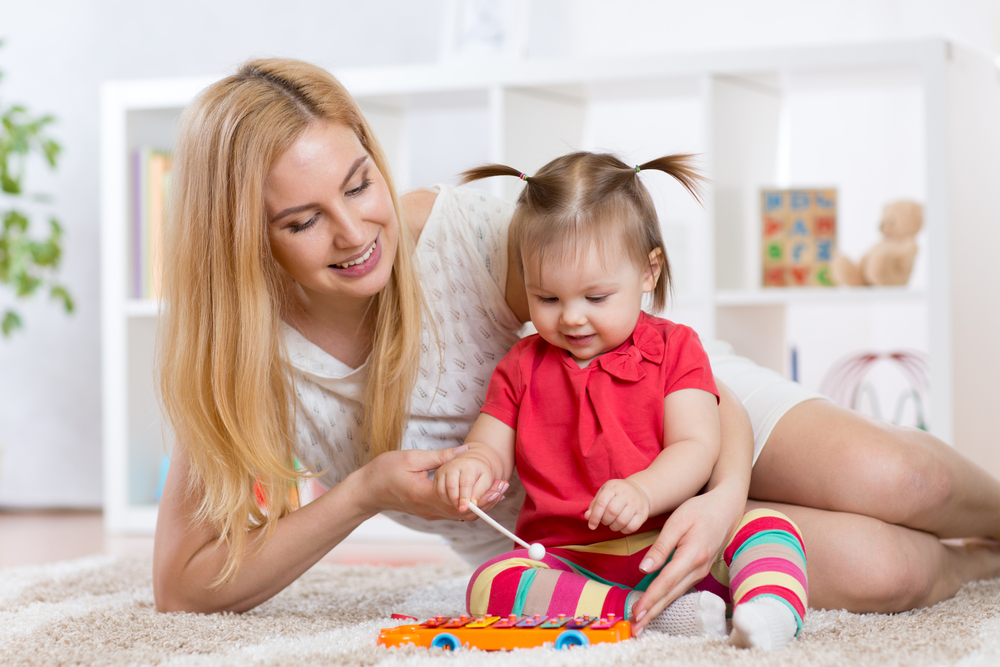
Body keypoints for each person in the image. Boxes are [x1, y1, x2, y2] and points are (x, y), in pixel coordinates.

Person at [152, 57, 1000, 631]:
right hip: (580, 533)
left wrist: (720, 496)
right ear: (240, 241)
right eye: (303, 221)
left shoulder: (470, 236)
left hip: (684, 416)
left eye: (358, 183)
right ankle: (976, 568)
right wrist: (363, 493)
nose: (353, 232)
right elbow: (181, 583)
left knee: (903, 477)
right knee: (887, 569)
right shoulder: (238, 364)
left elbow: (672, 362)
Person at [433, 152, 807, 650]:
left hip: (674, 543)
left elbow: (697, 444)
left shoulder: (677, 349)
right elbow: (490, 444)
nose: (571, 318)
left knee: (770, 528)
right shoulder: (521, 366)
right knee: (491, 583)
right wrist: (474, 465)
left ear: (648, 272)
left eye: (596, 298)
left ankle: (769, 612)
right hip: (573, 562)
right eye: (547, 298)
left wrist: (644, 492)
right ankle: (642, 614)